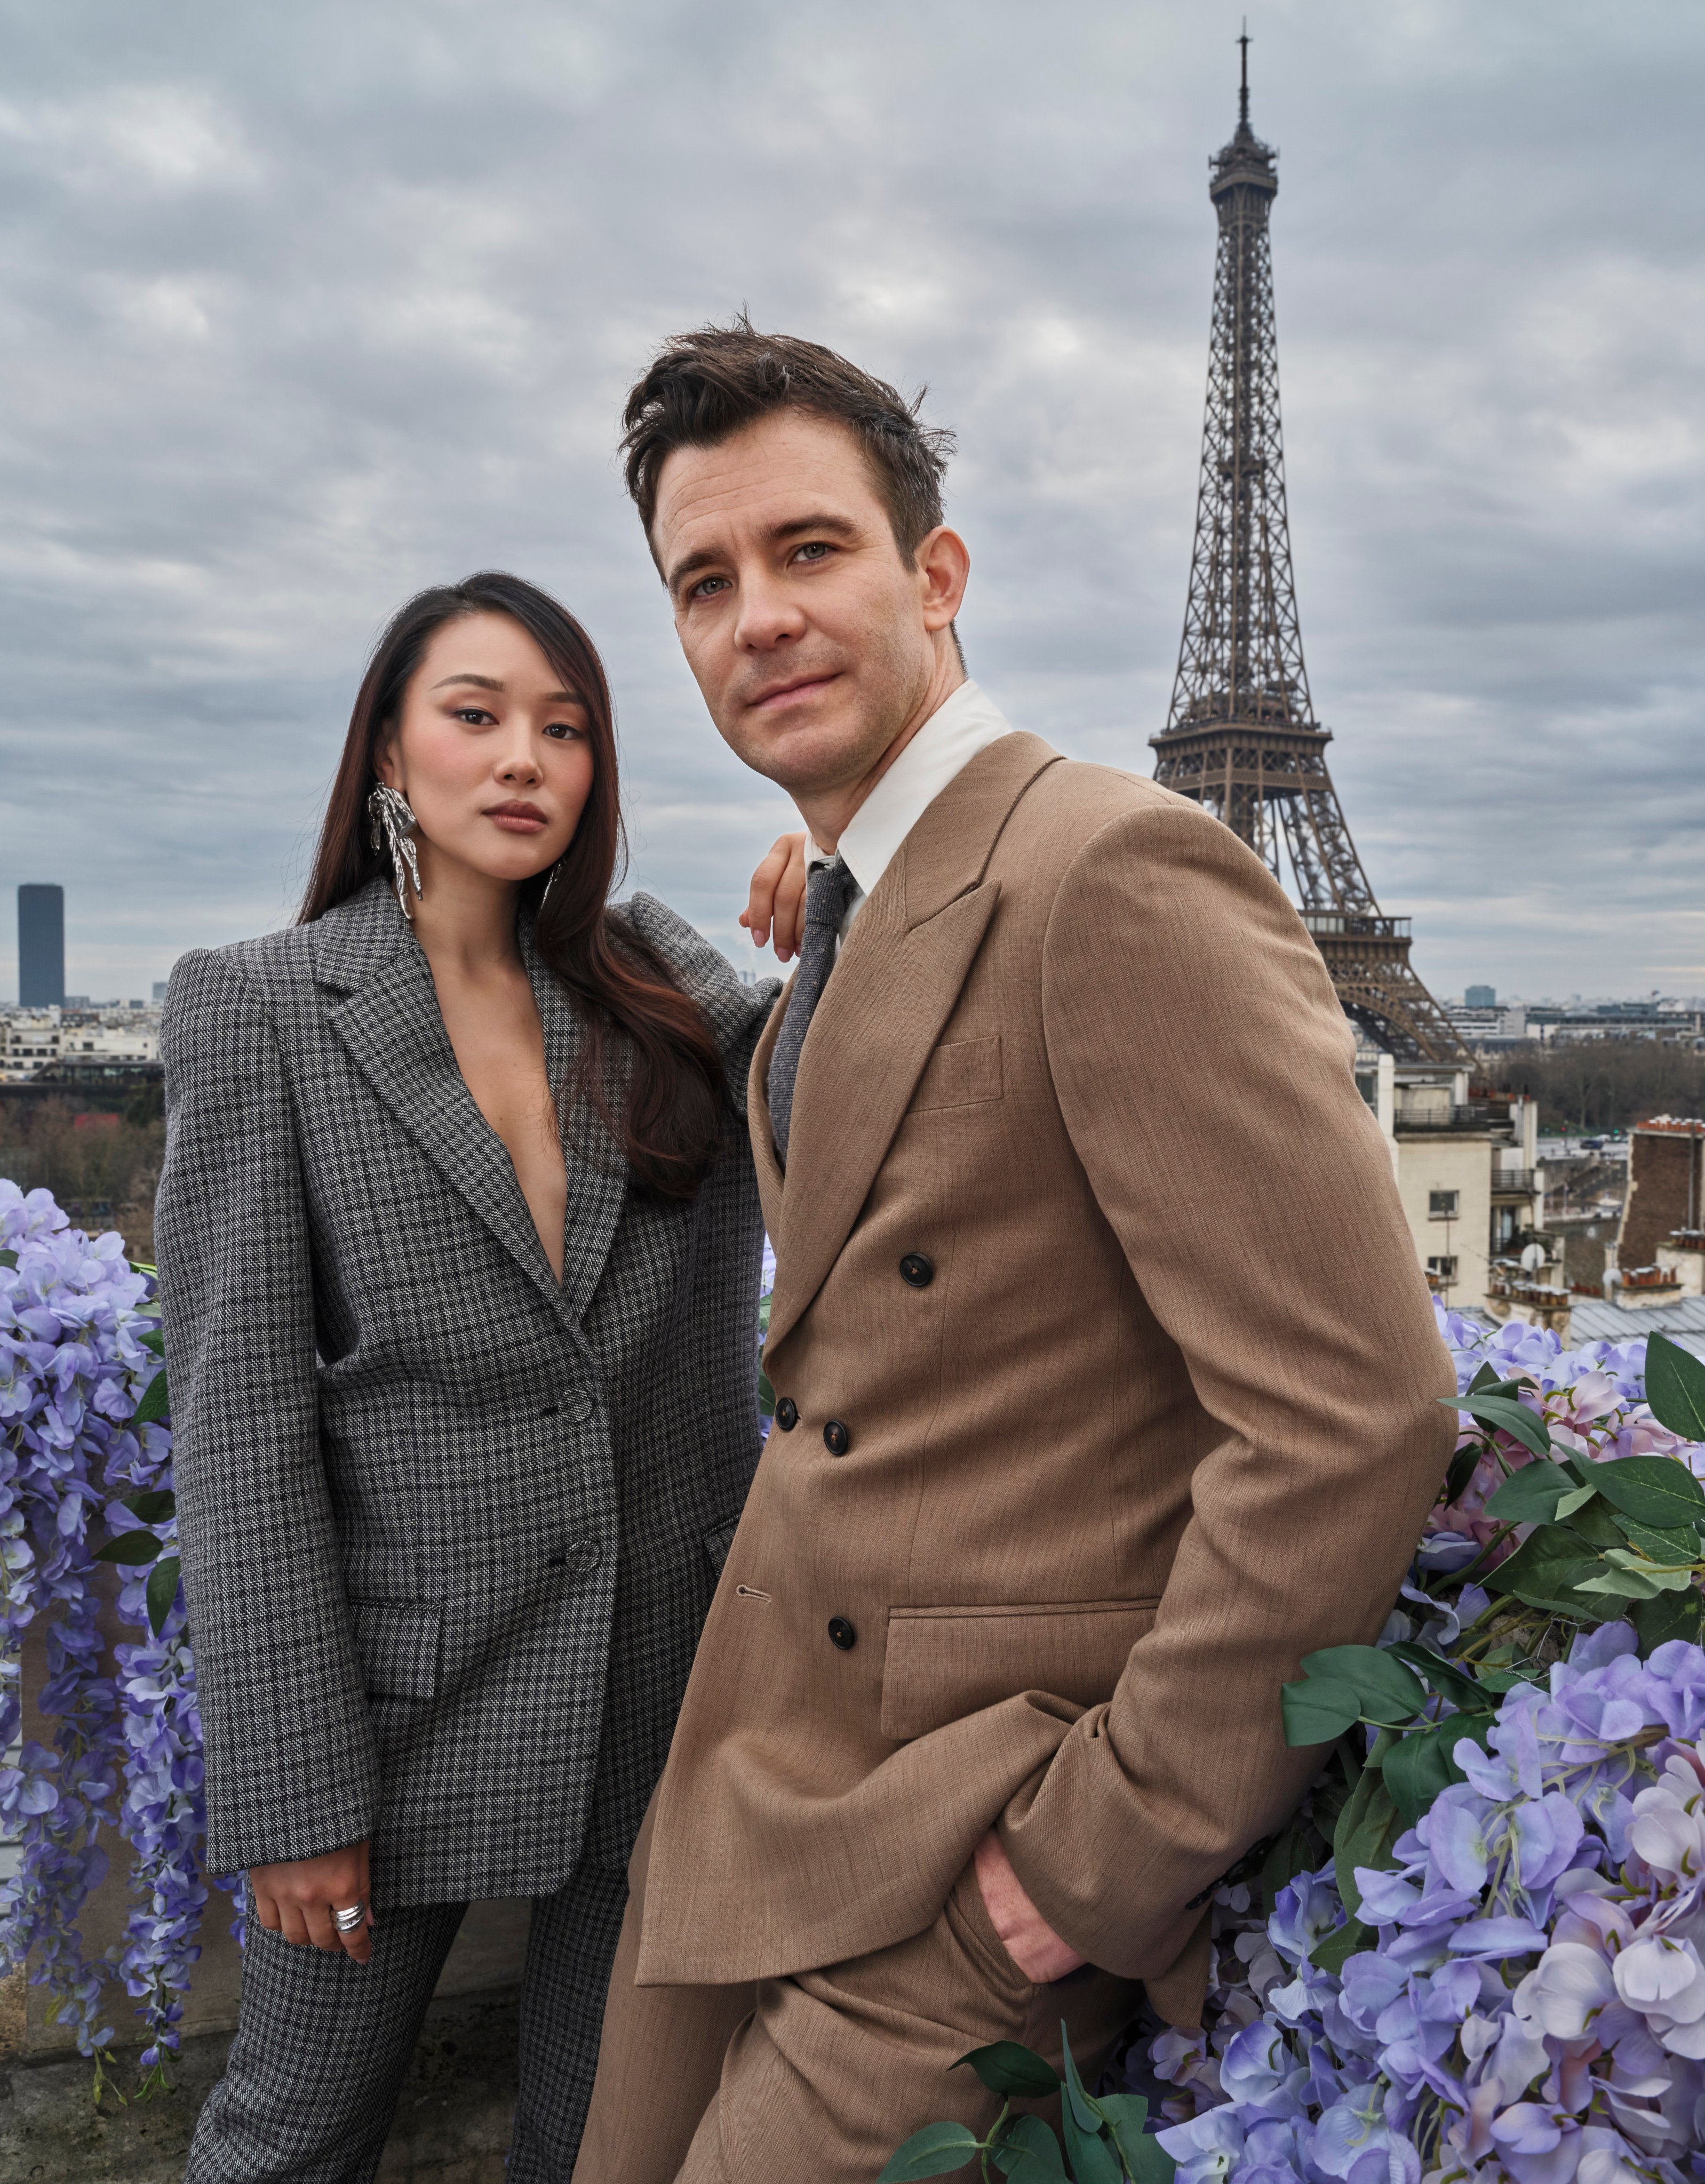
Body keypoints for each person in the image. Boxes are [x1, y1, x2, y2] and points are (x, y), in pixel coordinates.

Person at [573, 329, 1456, 2182]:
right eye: (704, 583)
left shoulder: (1118, 876)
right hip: (779, 1789)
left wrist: (1092, 1866)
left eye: (812, 553)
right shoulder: (863, 895)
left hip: (973, 1853)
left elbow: (1353, 1410)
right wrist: (828, 897)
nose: (758, 620)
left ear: (938, 574)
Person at [155, 571, 804, 2183]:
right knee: (290, 2135)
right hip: (394, 1704)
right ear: (390, 749)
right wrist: (293, 1795)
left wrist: (854, 887)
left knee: (607, 2142)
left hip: (668, 1675)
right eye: (476, 715)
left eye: (566, 727)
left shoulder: (650, 973)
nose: (525, 758)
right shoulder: (260, 1009)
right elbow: (238, 1435)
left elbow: (846, 1081)